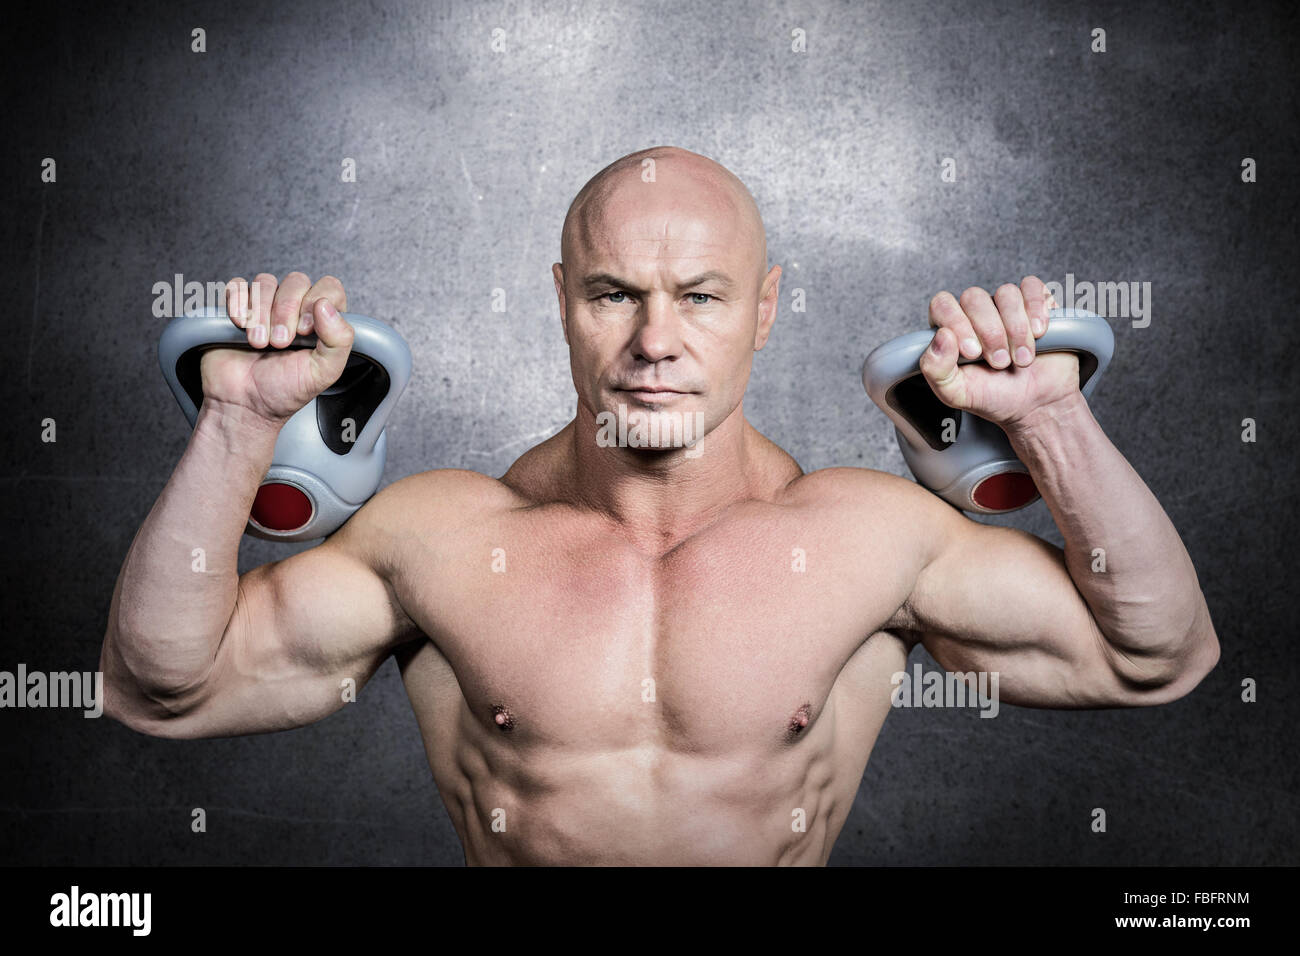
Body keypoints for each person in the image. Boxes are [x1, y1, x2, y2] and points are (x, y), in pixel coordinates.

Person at [101, 145, 1219, 865]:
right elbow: (163, 684)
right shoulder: (441, 538)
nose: (654, 341)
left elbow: (1155, 655)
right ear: (560, 302)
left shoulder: (864, 538)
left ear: (765, 309)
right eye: (611, 294)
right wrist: (239, 421)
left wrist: (1046, 419)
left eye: (700, 295)